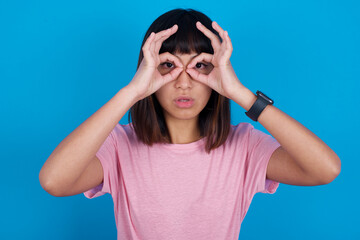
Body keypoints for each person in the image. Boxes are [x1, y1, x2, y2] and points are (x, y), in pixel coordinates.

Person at [39, 8, 341, 240]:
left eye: (201, 66)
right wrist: (131, 92)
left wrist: (240, 93)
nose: (184, 83)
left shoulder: (244, 146)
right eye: (168, 65)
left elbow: (325, 169)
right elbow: (54, 181)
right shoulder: (120, 146)